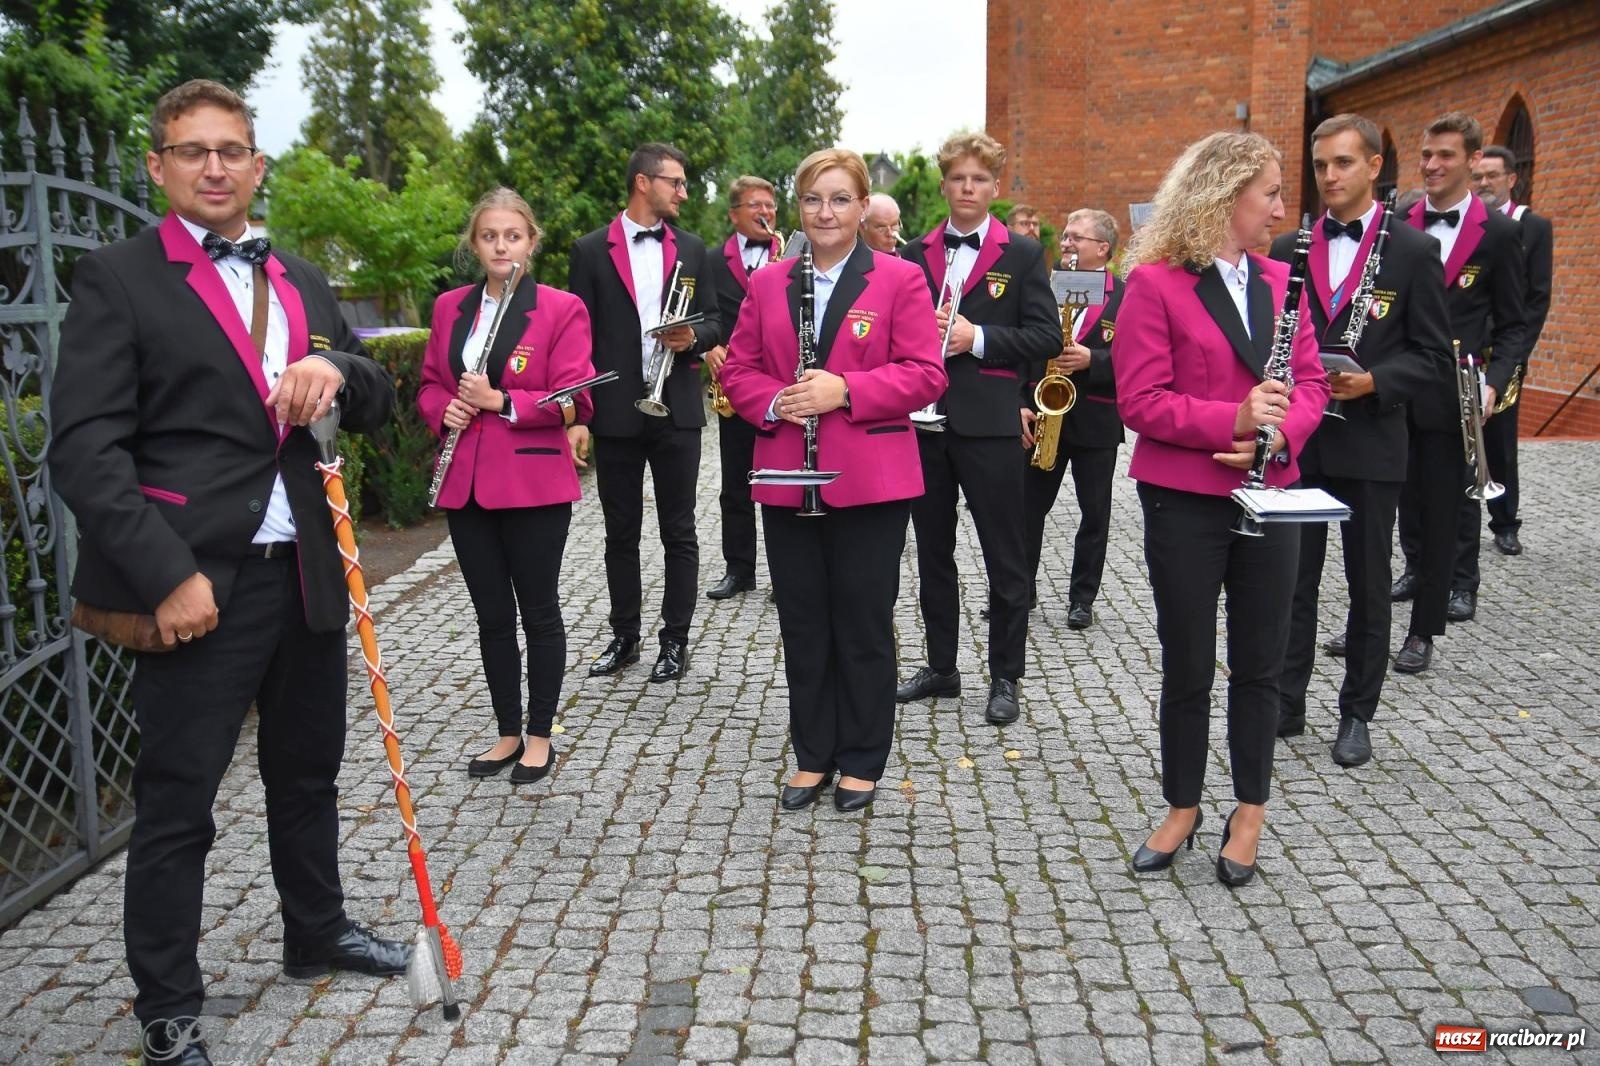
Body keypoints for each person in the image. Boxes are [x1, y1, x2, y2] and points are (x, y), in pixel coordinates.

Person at [47, 79, 404, 1066]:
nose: (215, 167)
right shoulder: (117, 280)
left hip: (307, 575)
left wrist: (336, 372)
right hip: (199, 585)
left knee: (307, 773)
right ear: (158, 166)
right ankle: (167, 1006)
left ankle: (316, 926)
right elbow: (83, 453)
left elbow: (374, 395)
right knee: (177, 804)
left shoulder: (300, 274)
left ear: (257, 165)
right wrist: (164, 575)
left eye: (232, 150)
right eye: (192, 150)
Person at [1113, 131, 1327, 887]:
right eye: (1269, 191)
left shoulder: (1282, 279)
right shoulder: (1155, 283)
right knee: (1187, 660)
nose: (1280, 206)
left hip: (1270, 491)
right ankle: (1181, 804)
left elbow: (1311, 384)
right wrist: (1231, 420)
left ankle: (1250, 809)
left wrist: (1277, 434)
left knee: (1262, 660)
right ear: (1224, 195)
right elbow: (1141, 401)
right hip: (1185, 499)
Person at [720, 148, 945, 813]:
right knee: (804, 621)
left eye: (841, 199)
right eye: (814, 199)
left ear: (863, 206)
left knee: (863, 621)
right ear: (799, 208)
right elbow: (738, 370)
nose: (826, 211)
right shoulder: (768, 283)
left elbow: (926, 374)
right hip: (789, 472)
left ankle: (862, 757)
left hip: (869, 477)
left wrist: (845, 388)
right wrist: (773, 400)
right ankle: (813, 753)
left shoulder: (900, 279)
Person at [1270, 114, 1452, 768]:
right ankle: (1287, 700)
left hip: (1373, 443)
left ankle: (1356, 713)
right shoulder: (1291, 245)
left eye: (1343, 163)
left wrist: (1375, 380)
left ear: (1375, 165)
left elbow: (1433, 357)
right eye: (1321, 166)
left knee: (1369, 582)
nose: (1329, 177)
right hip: (1303, 439)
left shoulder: (1411, 251)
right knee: (1293, 579)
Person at [418, 188, 595, 784]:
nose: (501, 245)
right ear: (475, 244)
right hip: (465, 483)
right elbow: (428, 385)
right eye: (490, 236)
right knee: (491, 615)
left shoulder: (560, 308)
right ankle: (506, 731)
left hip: (532, 481)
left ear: (531, 241)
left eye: (512, 236)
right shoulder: (449, 307)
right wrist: (442, 409)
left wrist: (503, 401)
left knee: (538, 611)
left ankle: (541, 734)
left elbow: (576, 395)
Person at [896, 132, 1060, 726]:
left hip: (989, 423)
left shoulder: (1020, 253)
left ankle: (1005, 676)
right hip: (924, 423)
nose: (968, 188)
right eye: (959, 179)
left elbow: (1047, 337)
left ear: (995, 188)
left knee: (1004, 555)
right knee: (932, 552)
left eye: (980, 180)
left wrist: (977, 337)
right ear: (944, 185)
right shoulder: (914, 253)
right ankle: (942, 666)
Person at [568, 143, 721, 682]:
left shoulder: (695, 249)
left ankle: (674, 641)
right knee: (620, 532)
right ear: (642, 182)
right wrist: (580, 414)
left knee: (679, 531)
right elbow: (575, 336)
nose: (683, 192)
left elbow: (718, 320)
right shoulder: (589, 251)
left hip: (675, 405)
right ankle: (624, 636)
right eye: (675, 182)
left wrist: (693, 336)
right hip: (615, 412)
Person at [1391, 112, 1527, 672]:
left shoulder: (1498, 232)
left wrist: (1495, 384)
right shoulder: (1399, 219)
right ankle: (1394, 595)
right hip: (1398, 386)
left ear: (1472, 162)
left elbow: (1515, 322)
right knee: (1396, 503)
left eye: (1445, 155)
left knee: (1448, 507)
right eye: (1426, 154)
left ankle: (1427, 626)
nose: (1431, 164)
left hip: (1455, 390)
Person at [1019, 208, 1126, 631]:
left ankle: (1082, 598)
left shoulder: (1127, 294)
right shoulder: (1048, 288)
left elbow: (1138, 360)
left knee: (1094, 513)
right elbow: (1026, 347)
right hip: (1046, 414)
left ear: (1102, 249)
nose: (1066, 243)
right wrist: (1023, 400)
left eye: (1076, 238)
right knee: (1028, 509)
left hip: (1096, 420)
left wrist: (1092, 360)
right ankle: (1020, 590)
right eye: (1064, 236)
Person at [1473, 144, 1553, 557]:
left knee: (1501, 442)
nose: (1484, 183)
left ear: (1511, 179)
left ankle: (1505, 523)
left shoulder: (1533, 227)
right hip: (1464, 348)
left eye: (1492, 176)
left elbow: (1537, 298)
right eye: (1479, 176)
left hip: (1504, 351)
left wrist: (1518, 356)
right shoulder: (1468, 224)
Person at [703, 175, 780, 601]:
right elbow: (701, 315)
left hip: (783, 383)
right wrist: (708, 347)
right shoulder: (712, 261)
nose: (765, 212)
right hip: (736, 385)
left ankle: (786, 569)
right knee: (735, 482)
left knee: (783, 477)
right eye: (755, 205)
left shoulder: (795, 255)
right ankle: (739, 568)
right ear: (734, 214)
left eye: (770, 204)